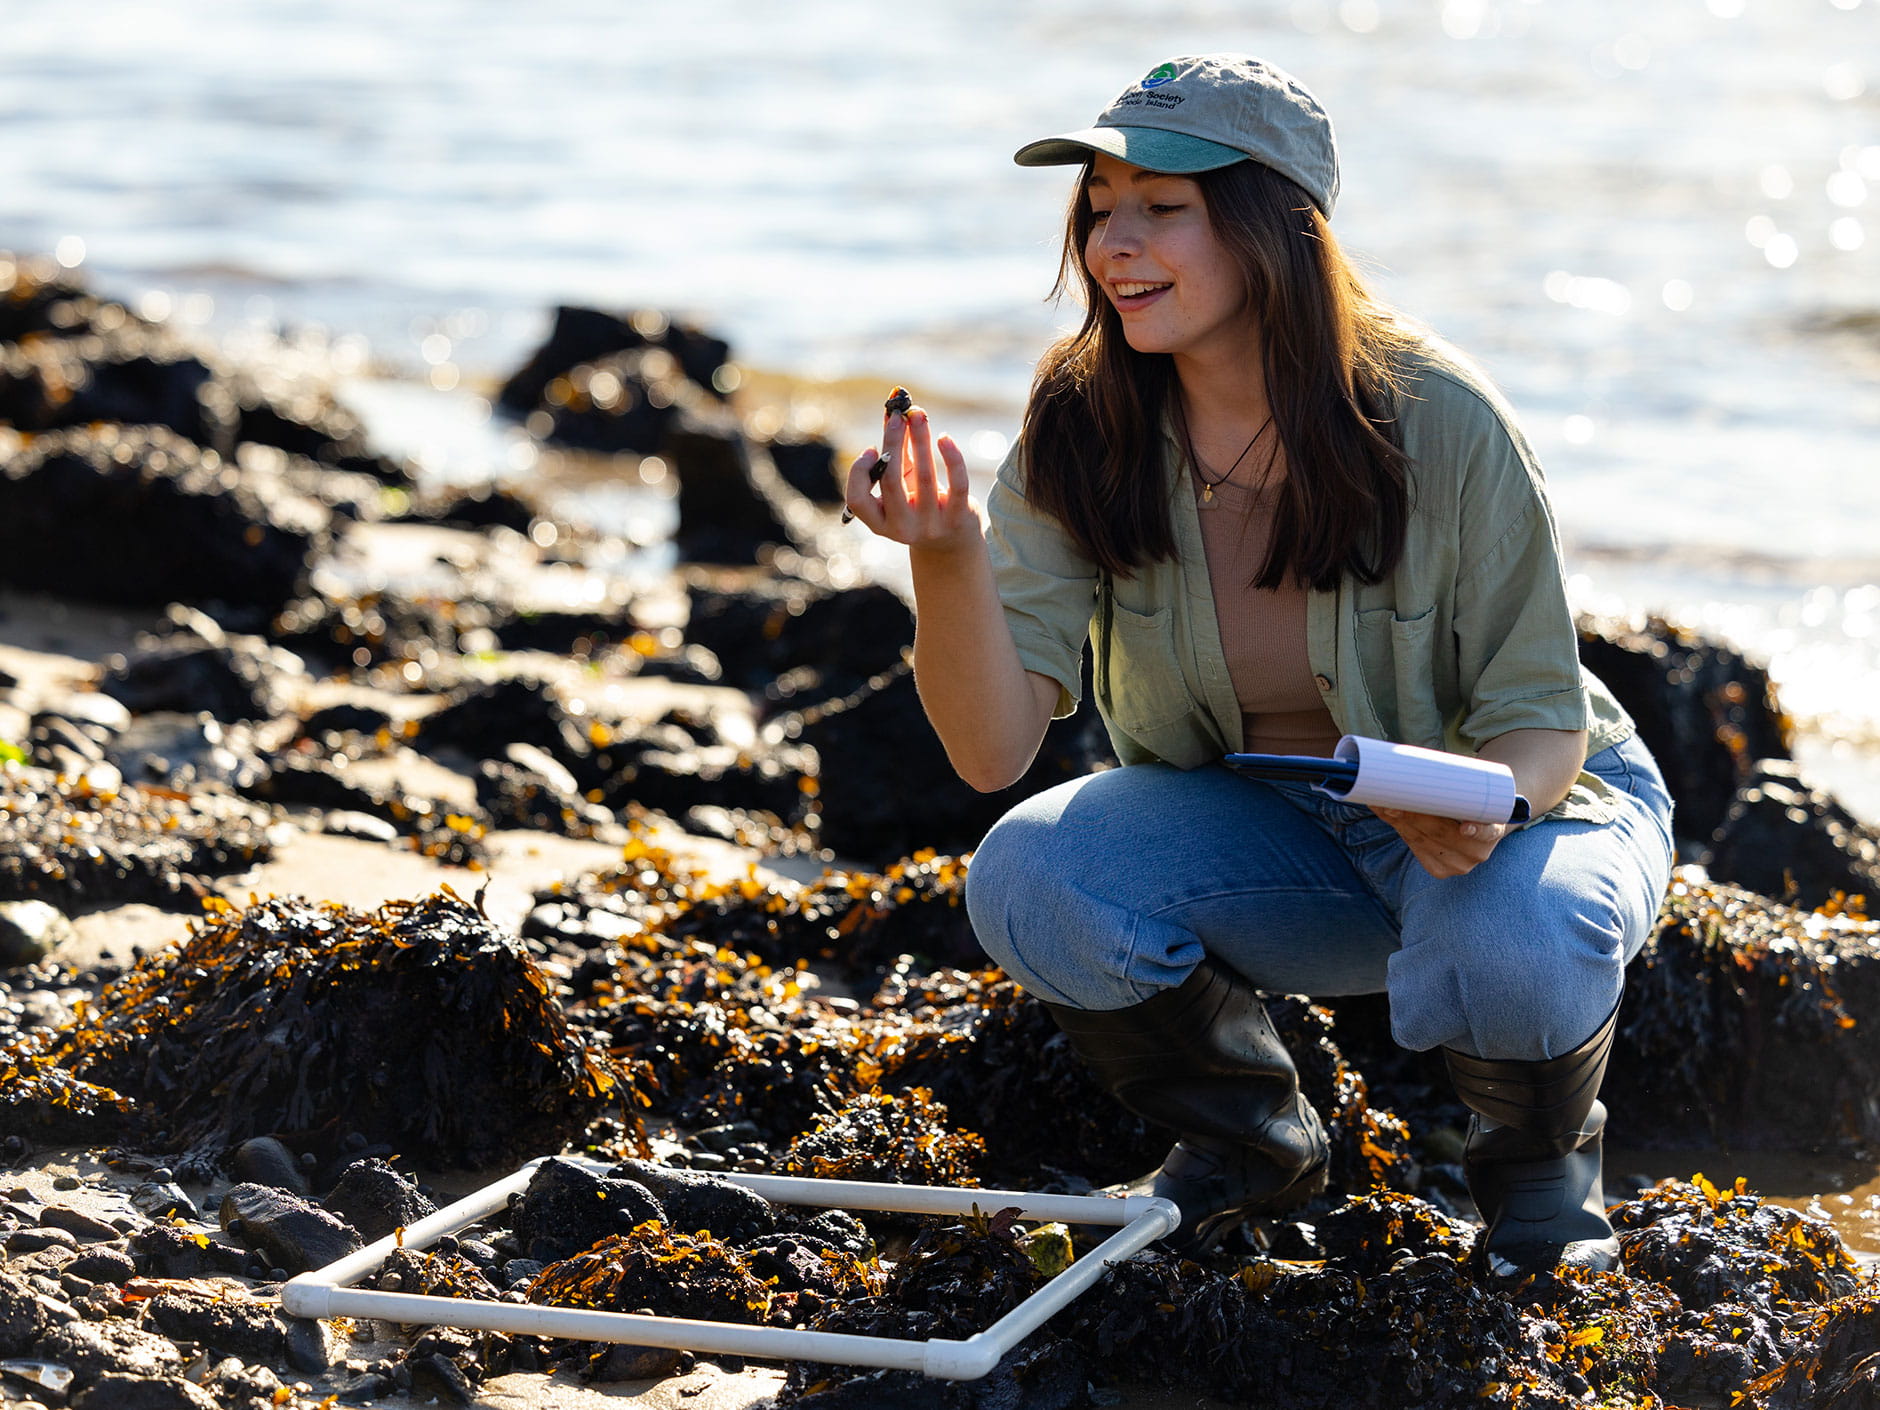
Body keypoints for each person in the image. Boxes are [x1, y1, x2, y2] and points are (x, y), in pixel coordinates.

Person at [841, 53, 1675, 1278]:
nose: (1112, 243)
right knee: (1030, 875)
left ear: (1274, 228)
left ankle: (1540, 1185)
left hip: (1520, 812)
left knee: (1514, 943)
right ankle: (1248, 1147)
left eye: (1160, 206)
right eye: (1098, 207)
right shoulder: (1081, 421)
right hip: (1269, 835)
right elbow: (988, 750)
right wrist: (947, 554)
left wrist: (1479, 806)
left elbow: (1539, 722)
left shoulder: (1439, 416)